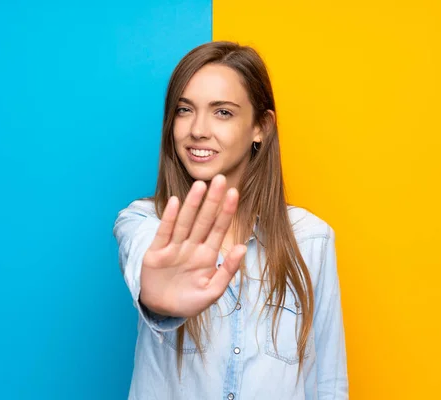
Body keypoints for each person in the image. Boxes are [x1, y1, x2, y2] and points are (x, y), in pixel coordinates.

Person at [113, 41, 348, 400]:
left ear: (261, 127)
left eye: (222, 112)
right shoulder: (143, 222)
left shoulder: (312, 240)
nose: (198, 129)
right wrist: (156, 300)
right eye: (184, 110)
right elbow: (142, 249)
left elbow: (328, 384)